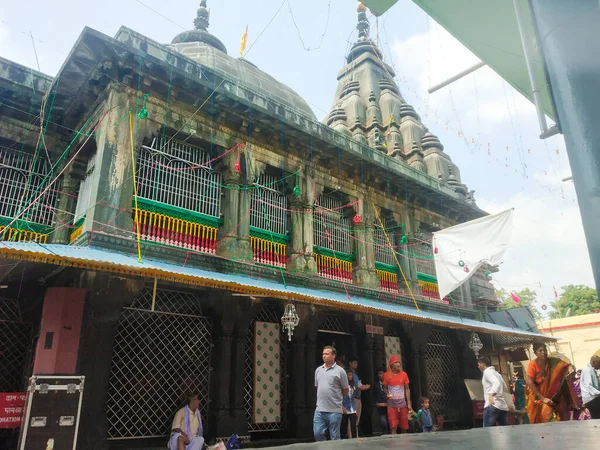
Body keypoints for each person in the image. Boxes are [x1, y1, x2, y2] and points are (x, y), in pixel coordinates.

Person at [525, 343, 577, 423]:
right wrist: (543, 398)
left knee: (562, 412)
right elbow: (530, 382)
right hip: (538, 398)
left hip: (553, 397)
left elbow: (562, 369)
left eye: (544, 350)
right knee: (545, 416)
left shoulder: (552, 362)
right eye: (540, 350)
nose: (543, 352)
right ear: (535, 353)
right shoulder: (532, 364)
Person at [314, 346, 349, 441]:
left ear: (333, 355)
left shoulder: (340, 371)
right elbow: (318, 387)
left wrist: (337, 398)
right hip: (320, 409)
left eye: (327, 354)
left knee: (334, 435)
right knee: (318, 433)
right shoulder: (318, 370)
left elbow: (345, 389)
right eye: (323, 354)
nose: (324, 356)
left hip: (334, 410)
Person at [383, 355, 412, 434]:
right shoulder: (386, 375)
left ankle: (404, 442)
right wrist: (387, 394)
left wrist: (408, 403)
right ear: (391, 365)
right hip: (392, 403)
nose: (398, 364)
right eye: (396, 362)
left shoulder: (404, 374)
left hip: (402, 403)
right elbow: (385, 388)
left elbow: (407, 389)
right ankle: (394, 441)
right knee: (393, 425)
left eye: (399, 362)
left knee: (404, 425)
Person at [477, 356, 509, 427]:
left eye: (478, 365)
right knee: (505, 432)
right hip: (502, 406)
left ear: (482, 364)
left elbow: (496, 383)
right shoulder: (497, 374)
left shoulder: (487, 372)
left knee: (488, 432)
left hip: (492, 405)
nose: (478, 367)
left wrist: (491, 395)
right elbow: (504, 386)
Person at [347, 357, 370, 430]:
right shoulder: (350, 374)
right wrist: (367, 386)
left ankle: (355, 435)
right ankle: (352, 437)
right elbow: (357, 387)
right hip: (353, 398)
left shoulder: (355, 374)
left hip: (358, 398)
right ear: (350, 363)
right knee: (353, 419)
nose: (356, 364)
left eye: (357, 363)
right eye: (354, 363)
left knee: (356, 420)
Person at [580, 355, 600, 419]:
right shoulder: (587, 370)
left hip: (592, 398)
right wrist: (598, 393)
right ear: (595, 362)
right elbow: (588, 385)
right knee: (597, 417)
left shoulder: (591, 370)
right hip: (591, 398)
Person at [341, 369, 359, 439]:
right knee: (344, 427)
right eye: (349, 375)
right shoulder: (342, 386)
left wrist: (355, 409)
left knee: (353, 426)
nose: (350, 376)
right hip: (345, 408)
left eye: (351, 375)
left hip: (352, 409)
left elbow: (353, 397)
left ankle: (355, 439)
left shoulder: (353, 385)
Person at [373, 369, 390, 434]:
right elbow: (374, 395)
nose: (380, 375)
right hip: (381, 406)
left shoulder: (389, 383)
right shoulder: (376, 385)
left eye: (381, 373)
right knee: (383, 421)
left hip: (390, 405)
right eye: (379, 374)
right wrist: (377, 403)